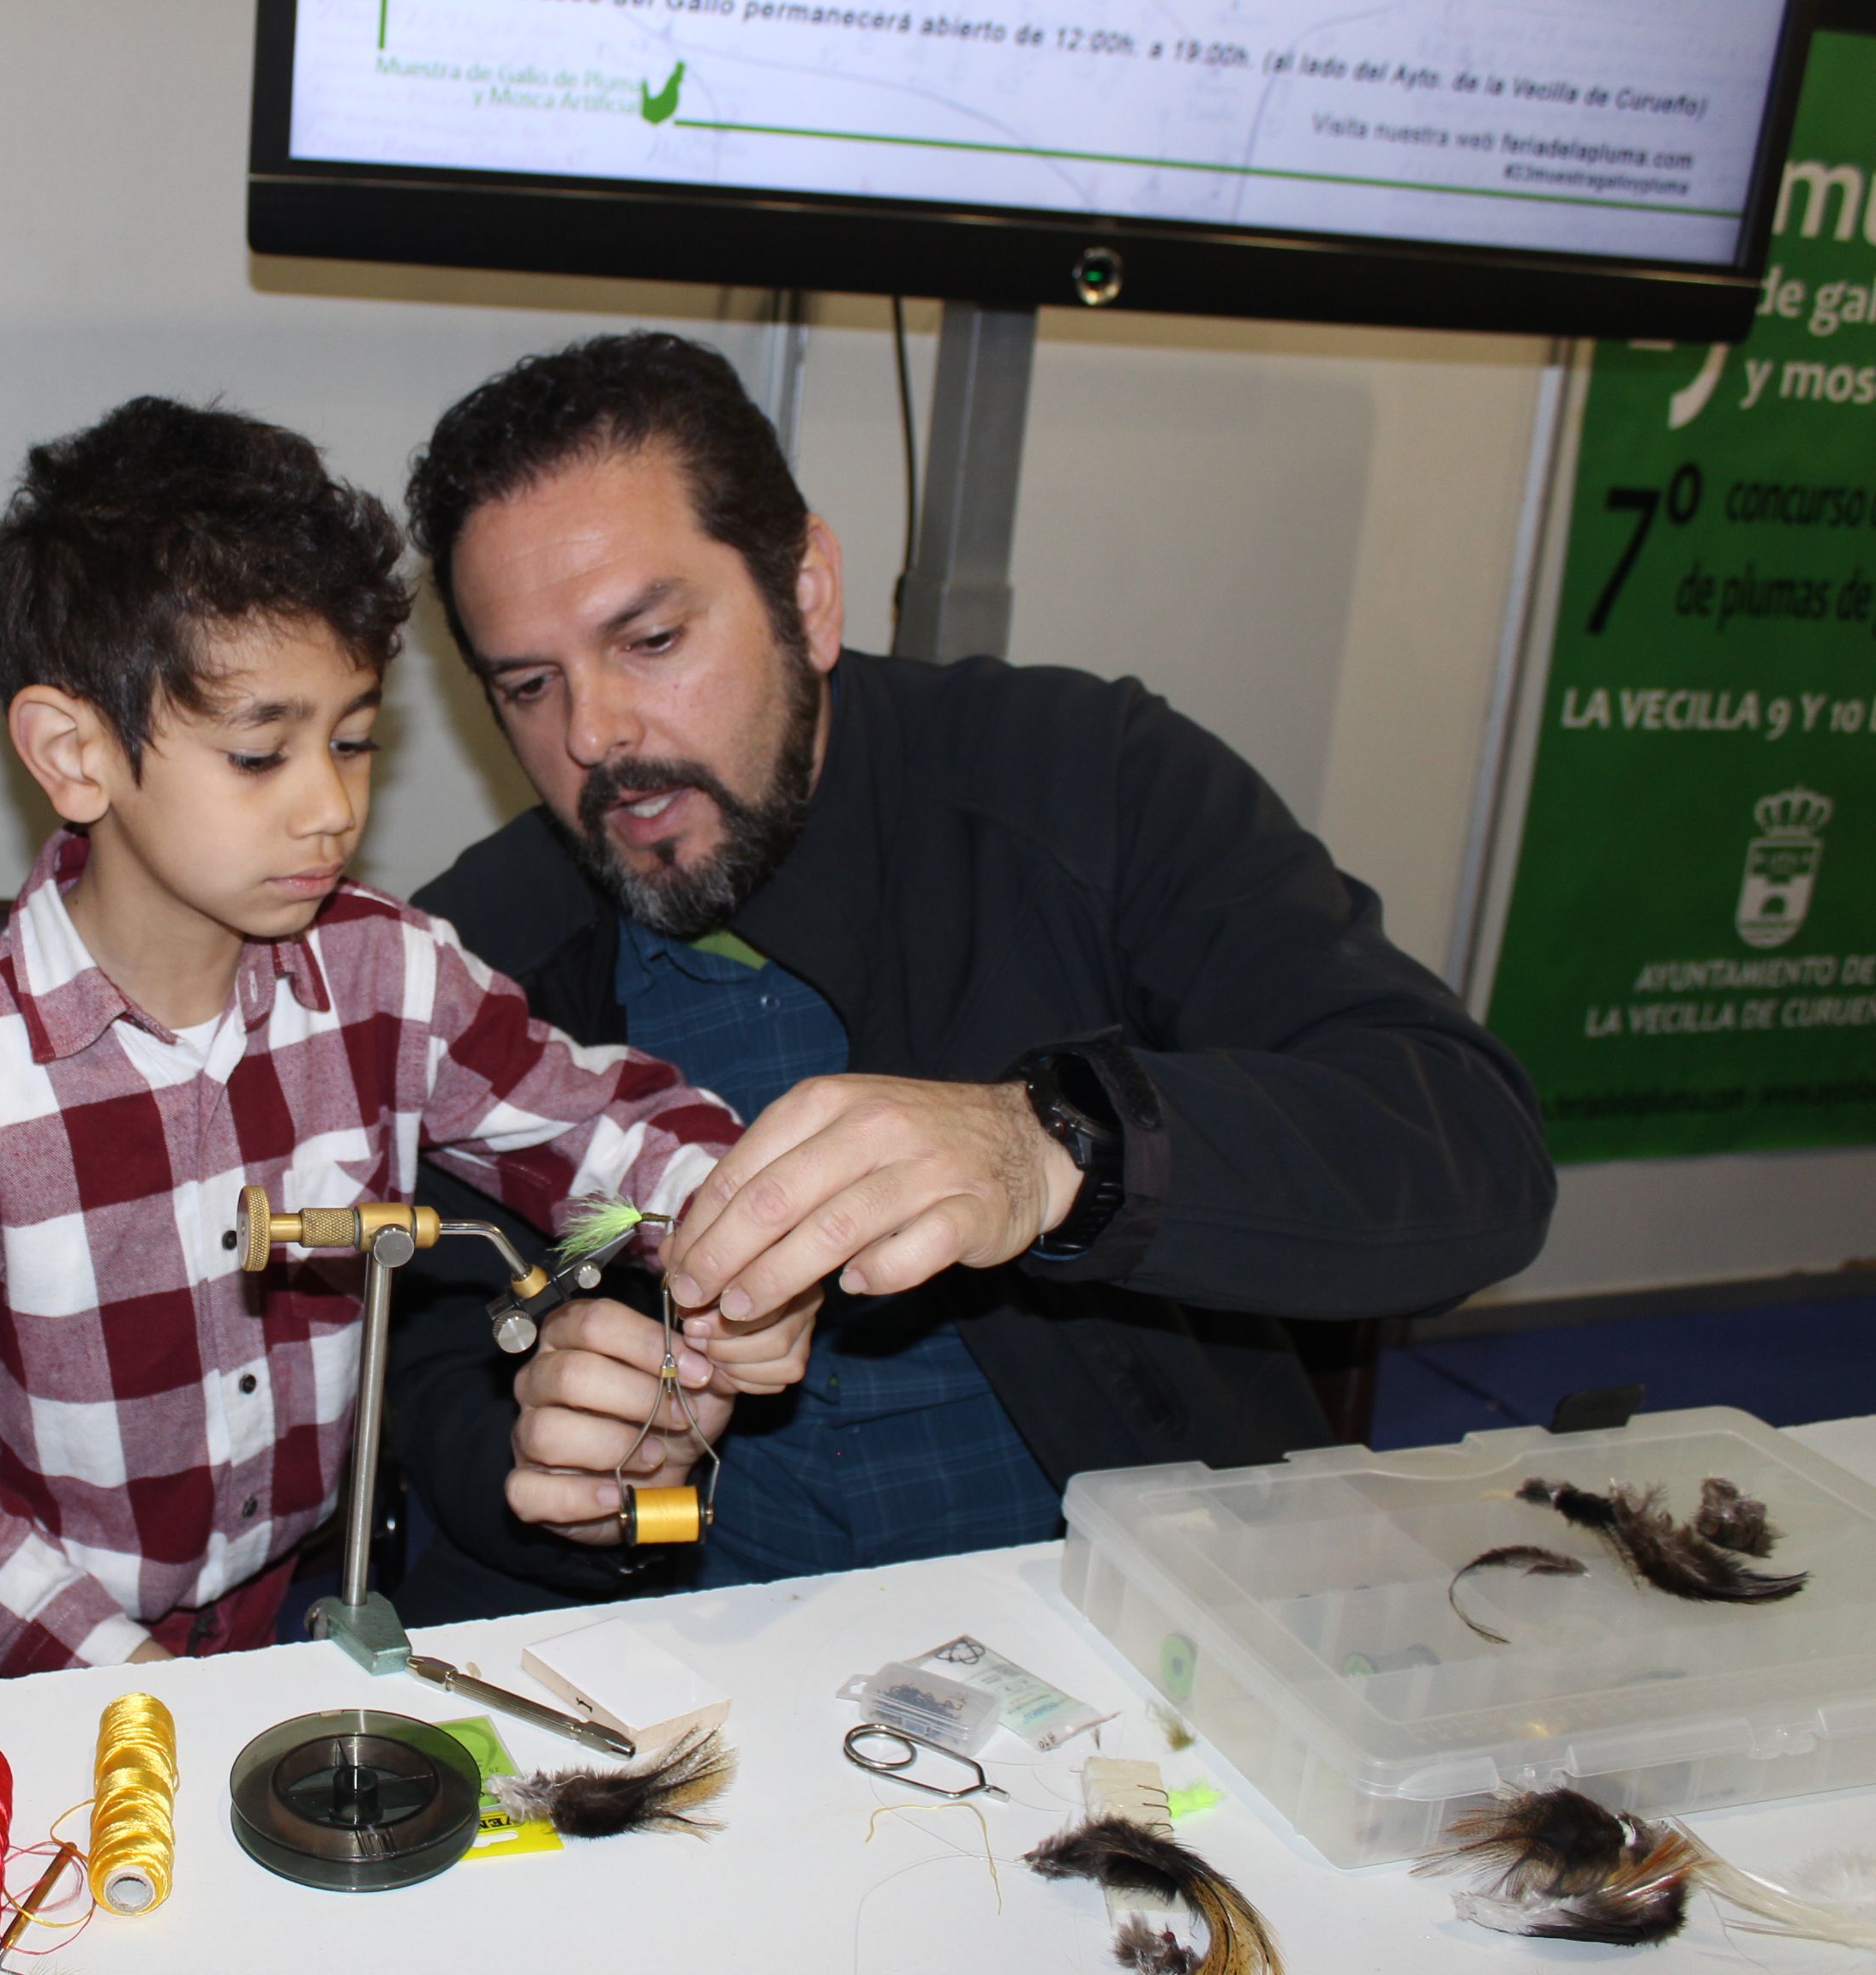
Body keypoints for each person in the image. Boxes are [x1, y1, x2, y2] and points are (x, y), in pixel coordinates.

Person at [387, 332, 1557, 1614]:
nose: (595, 736)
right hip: (703, 1688)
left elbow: (1468, 1149)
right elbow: (428, 1360)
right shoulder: (467, 961)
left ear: (810, 596)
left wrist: (1057, 1147)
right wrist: (538, 1443)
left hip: (1136, 1641)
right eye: (530, 685)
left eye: (653, 640)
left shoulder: (1085, 781)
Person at [0, 397, 809, 1684]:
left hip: (286, 1621)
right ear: (74, 754)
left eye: (352, 741)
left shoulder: (388, 977)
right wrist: (119, 1671)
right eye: (259, 754)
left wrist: (756, 1233)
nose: (331, 809)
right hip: (21, 1671)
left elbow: (598, 1130)